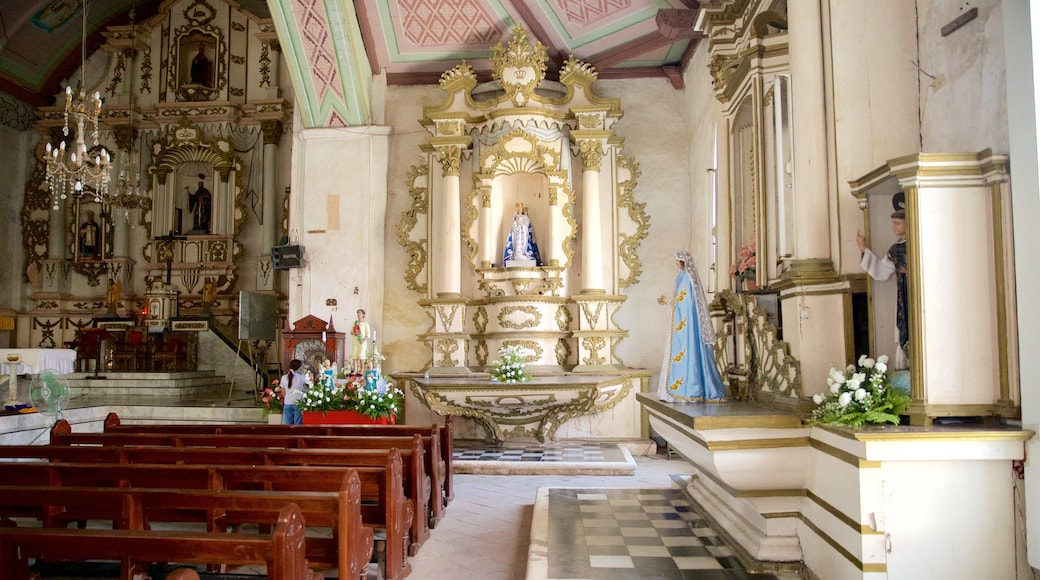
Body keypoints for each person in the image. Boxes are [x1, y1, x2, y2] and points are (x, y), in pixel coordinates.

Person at [657, 250, 727, 403]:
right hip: (683, 324)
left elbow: (686, 304)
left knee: (688, 350)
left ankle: (690, 390)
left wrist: (668, 301)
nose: (676, 263)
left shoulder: (687, 278)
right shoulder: (680, 277)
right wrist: (669, 301)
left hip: (687, 327)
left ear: (683, 262)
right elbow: (682, 301)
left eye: (677, 260)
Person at [856, 192, 909, 369]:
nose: (894, 227)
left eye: (898, 223)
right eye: (893, 223)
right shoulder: (896, 250)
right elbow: (881, 272)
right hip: (904, 296)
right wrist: (863, 249)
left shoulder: (921, 244)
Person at [280, 359, 308, 425]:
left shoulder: (284, 377)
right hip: (298, 403)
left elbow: (283, 391)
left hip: (287, 403)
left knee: (288, 425)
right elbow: (310, 383)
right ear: (298, 368)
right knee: (297, 425)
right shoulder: (301, 377)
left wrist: (287, 398)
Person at [351, 309, 370, 375]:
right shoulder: (355, 323)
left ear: (363, 315)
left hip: (362, 342)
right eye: (358, 313)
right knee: (354, 355)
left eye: (360, 313)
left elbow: (368, 335)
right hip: (355, 341)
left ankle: (362, 370)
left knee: (361, 356)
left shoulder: (365, 323)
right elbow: (351, 332)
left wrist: (363, 341)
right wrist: (355, 333)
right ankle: (355, 370)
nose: (358, 314)